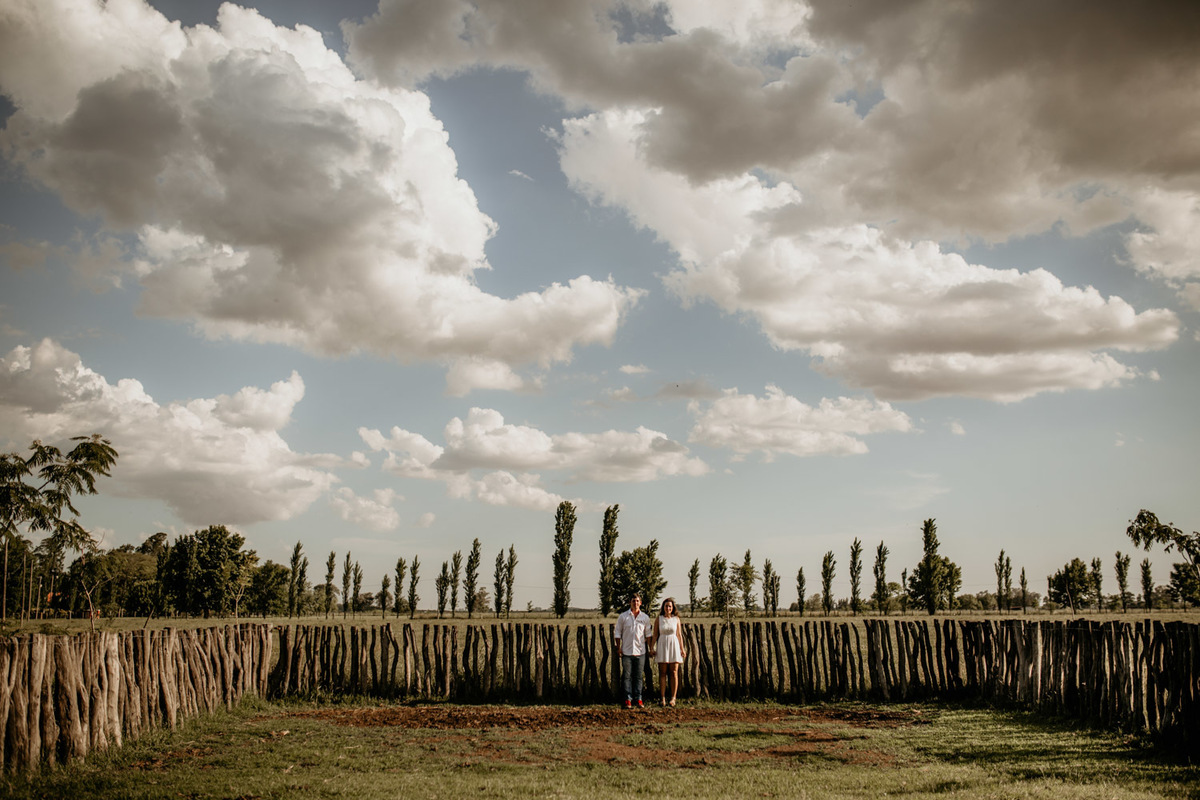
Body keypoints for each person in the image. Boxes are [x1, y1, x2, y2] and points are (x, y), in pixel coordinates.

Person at [613, 593, 652, 708]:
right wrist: (619, 647)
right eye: (633, 601)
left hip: (640, 652)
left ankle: (638, 698)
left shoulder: (644, 617)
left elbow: (648, 634)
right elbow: (618, 633)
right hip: (627, 652)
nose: (635, 603)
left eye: (637, 601)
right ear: (630, 602)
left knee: (639, 676)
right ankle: (627, 699)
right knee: (627, 676)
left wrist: (650, 648)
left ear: (640, 603)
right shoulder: (623, 617)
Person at [652, 597, 686, 707]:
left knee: (674, 672)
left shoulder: (676, 619)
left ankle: (673, 698)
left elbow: (679, 635)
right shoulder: (659, 619)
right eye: (666, 606)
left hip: (674, 645)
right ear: (663, 607)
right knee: (662, 672)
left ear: (673, 608)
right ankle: (662, 698)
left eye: (670, 606)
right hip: (662, 645)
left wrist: (682, 648)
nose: (668, 608)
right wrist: (652, 647)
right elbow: (655, 634)